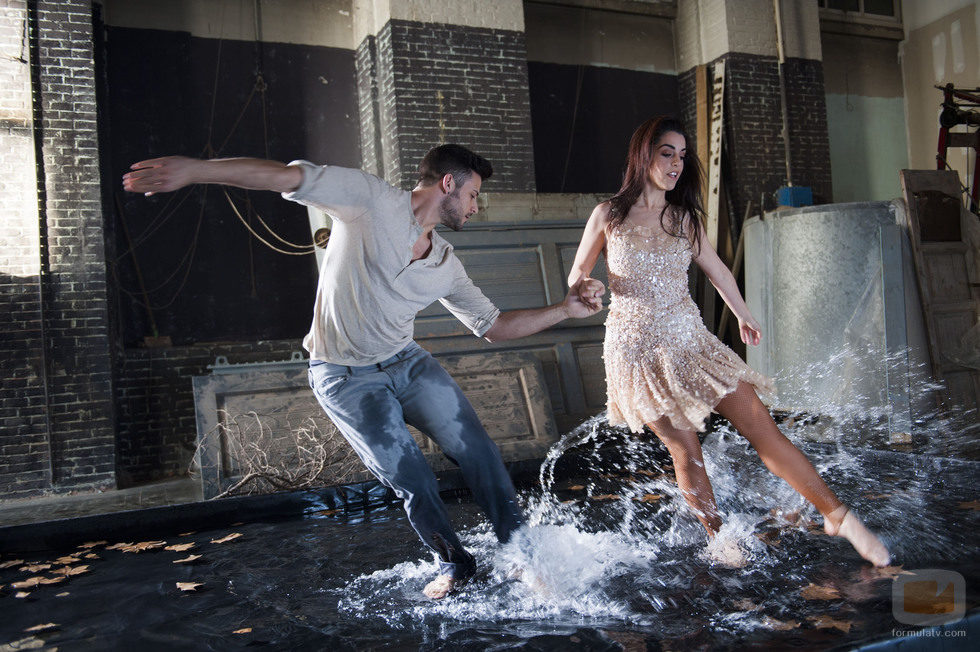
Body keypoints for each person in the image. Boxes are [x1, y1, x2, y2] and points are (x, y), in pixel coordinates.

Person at [123, 144, 606, 597]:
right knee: (411, 476)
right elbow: (280, 176)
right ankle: (455, 563)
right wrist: (194, 170)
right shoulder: (370, 200)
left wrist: (565, 310)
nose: (477, 207)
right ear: (447, 184)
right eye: (474, 194)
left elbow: (493, 325)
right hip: (345, 375)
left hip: (407, 362)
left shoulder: (444, 262)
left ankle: (520, 551)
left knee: (477, 450)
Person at [566, 117, 890, 567]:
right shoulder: (609, 215)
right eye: (667, 152)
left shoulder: (684, 219)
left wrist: (743, 313)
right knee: (685, 449)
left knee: (760, 423)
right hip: (635, 350)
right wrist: (584, 288)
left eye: (682, 155)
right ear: (643, 154)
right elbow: (577, 272)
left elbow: (718, 272)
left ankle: (839, 516)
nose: (677, 163)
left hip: (691, 342)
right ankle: (717, 536)